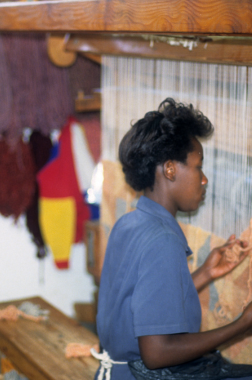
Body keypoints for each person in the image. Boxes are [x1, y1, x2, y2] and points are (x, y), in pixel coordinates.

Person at [94, 98, 252, 380]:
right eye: (197, 166)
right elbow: (157, 353)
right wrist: (242, 325)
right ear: (169, 169)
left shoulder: (130, 222)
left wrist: (204, 274)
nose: (203, 180)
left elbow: (143, 307)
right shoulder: (163, 240)